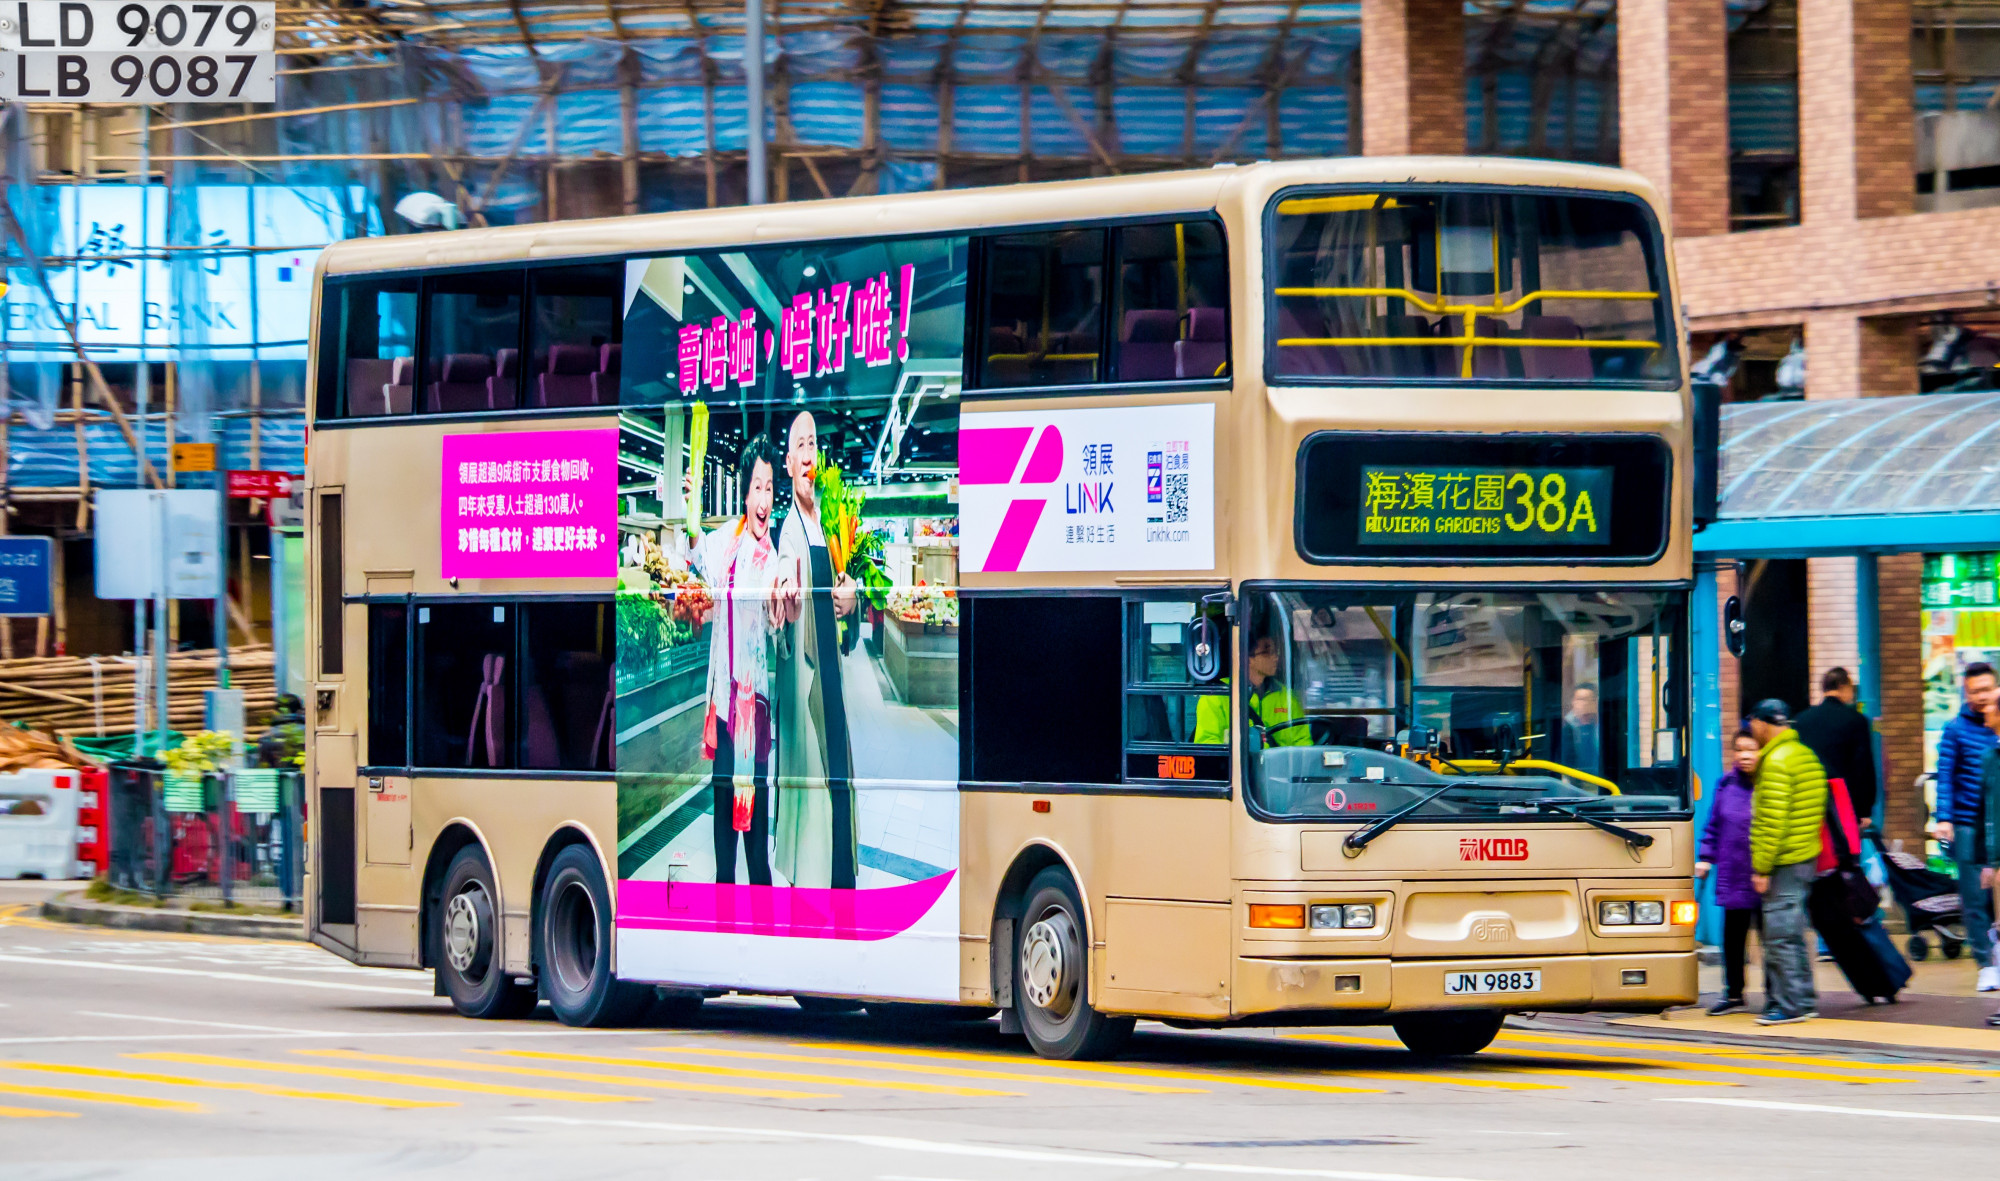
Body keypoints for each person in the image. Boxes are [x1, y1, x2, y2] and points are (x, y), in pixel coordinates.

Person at [771, 410, 861, 891]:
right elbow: (785, 571)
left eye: (814, 445)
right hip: (809, 685)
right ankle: (816, 892)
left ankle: (840, 884)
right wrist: (785, 591)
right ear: (788, 463)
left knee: (839, 779)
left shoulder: (827, 524)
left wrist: (852, 596)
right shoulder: (789, 531)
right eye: (800, 446)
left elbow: (842, 584)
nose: (809, 455)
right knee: (815, 787)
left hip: (832, 676)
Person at [686, 441, 782, 886]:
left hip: (752, 714)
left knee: (756, 839)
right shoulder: (726, 539)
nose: (763, 499)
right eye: (756, 487)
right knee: (723, 836)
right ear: (745, 493)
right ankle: (724, 914)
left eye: (769, 487)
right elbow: (699, 563)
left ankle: (760, 915)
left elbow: (776, 617)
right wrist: (691, 519)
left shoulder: (773, 558)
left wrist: (784, 604)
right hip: (723, 707)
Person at [1745, 698, 1828, 1026]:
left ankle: (1790, 1005)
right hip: (1805, 856)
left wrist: (1761, 867)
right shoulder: (1805, 755)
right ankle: (1804, 1000)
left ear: (1763, 723)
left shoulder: (1776, 761)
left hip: (1783, 861)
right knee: (1793, 933)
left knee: (1779, 935)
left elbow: (1771, 822)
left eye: (1753, 723)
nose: (1752, 730)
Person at [1935, 661, 2000, 991]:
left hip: (1996, 821)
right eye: (1974, 691)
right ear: (1965, 691)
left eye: (1986, 689)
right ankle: (1986, 964)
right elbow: (1945, 776)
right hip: (1967, 823)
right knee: (1974, 897)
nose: (1981, 697)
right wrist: (1944, 818)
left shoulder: (1997, 723)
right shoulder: (1955, 729)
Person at [1697, 729, 1763, 1016]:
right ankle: (1734, 993)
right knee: (1733, 939)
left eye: (1751, 749)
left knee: (1772, 939)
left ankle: (1778, 995)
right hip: (1734, 874)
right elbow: (1714, 825)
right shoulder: (1725, 784)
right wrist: (1705, 858)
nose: (1744, 755)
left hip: (1764, 875)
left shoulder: (1769, 783)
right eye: (1739, 749)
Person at [1794, 666, 1880, 830]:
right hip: (1845, 806)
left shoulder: (1801, 720)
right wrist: (1864, 810)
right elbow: (1863, 768)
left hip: (1808, 803)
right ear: (1843, 686)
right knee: (1844, 845)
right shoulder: (1856, 721)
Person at [1193, 633, 1309, 747]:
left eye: (1276, 652)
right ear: (1247, 659)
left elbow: (1303, 742)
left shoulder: (1286, 696)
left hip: (1281, 760)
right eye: (1268, 652)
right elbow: (1207, 744)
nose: (1275, 658)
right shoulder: (1216, 696)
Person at [1561, 685, 1601, 775]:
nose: (1585, 704)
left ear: (1595, 702)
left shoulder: (1601, 728)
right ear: (1573, 702)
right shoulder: (1566, 729)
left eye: (1589, 700)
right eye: (1580, 699)